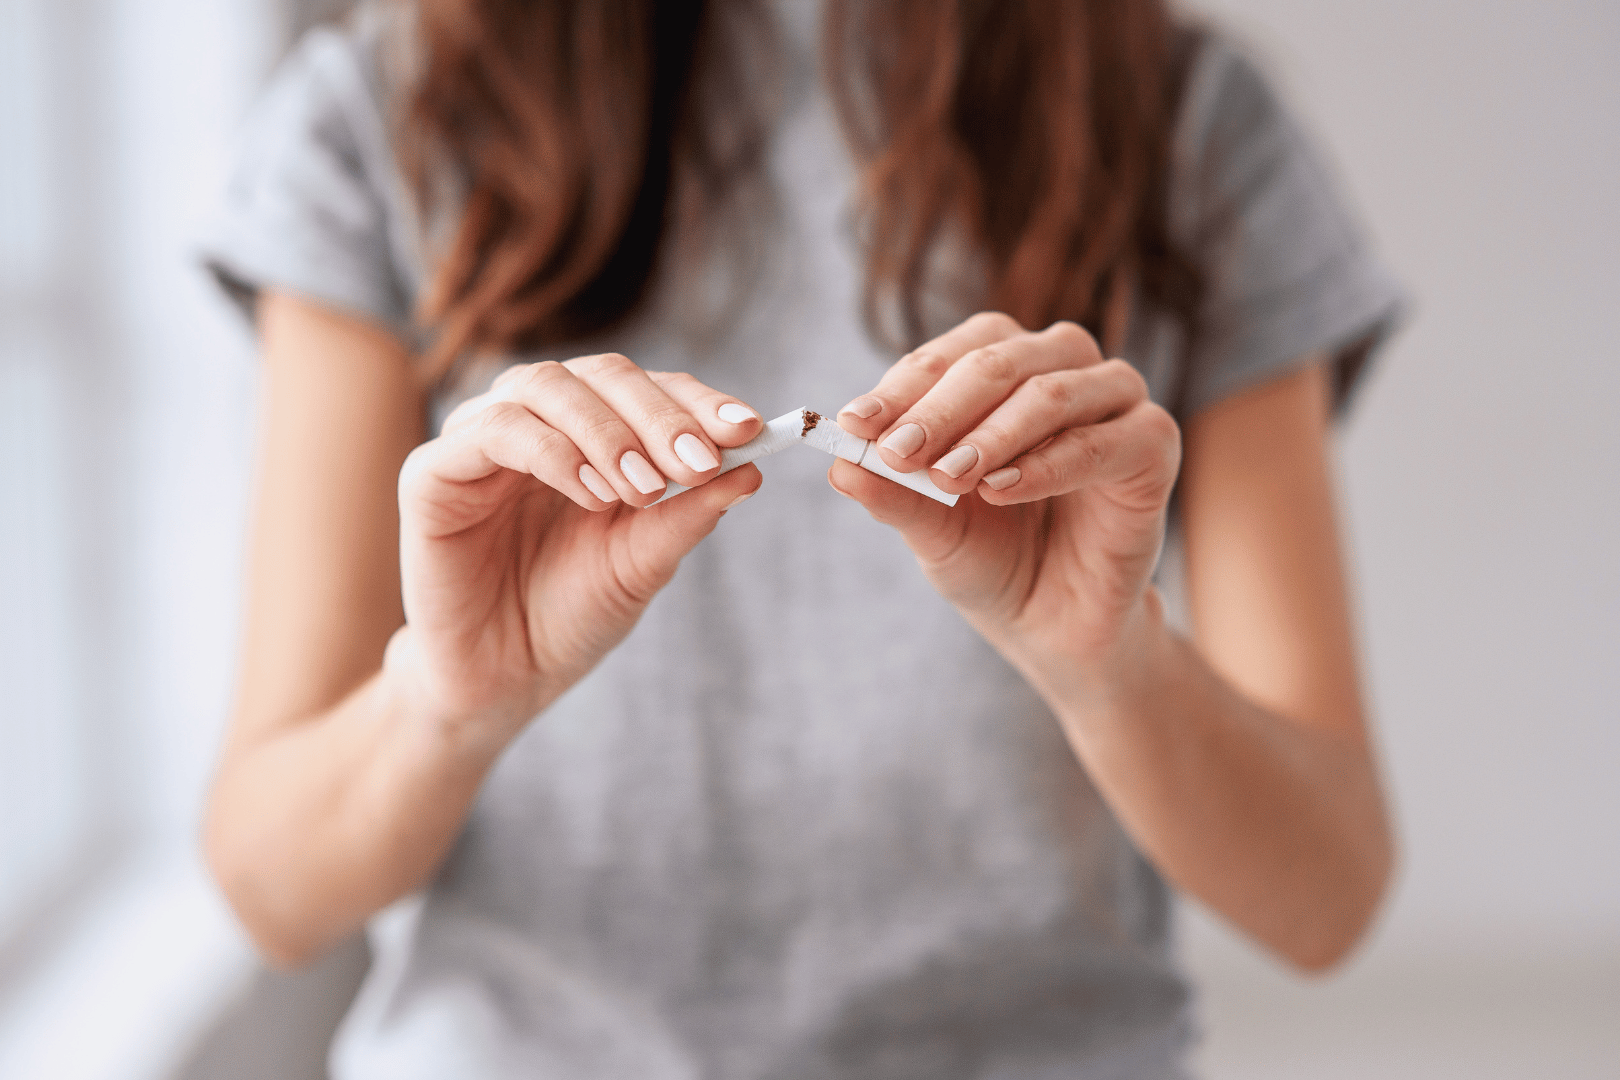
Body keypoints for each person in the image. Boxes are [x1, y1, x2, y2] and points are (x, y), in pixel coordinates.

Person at [201, 0, 1402, 1074]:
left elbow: (1326, 894)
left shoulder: (1187, 119)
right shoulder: (384, 109)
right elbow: (273, 888)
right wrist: (447, 705)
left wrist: (1110, 666)